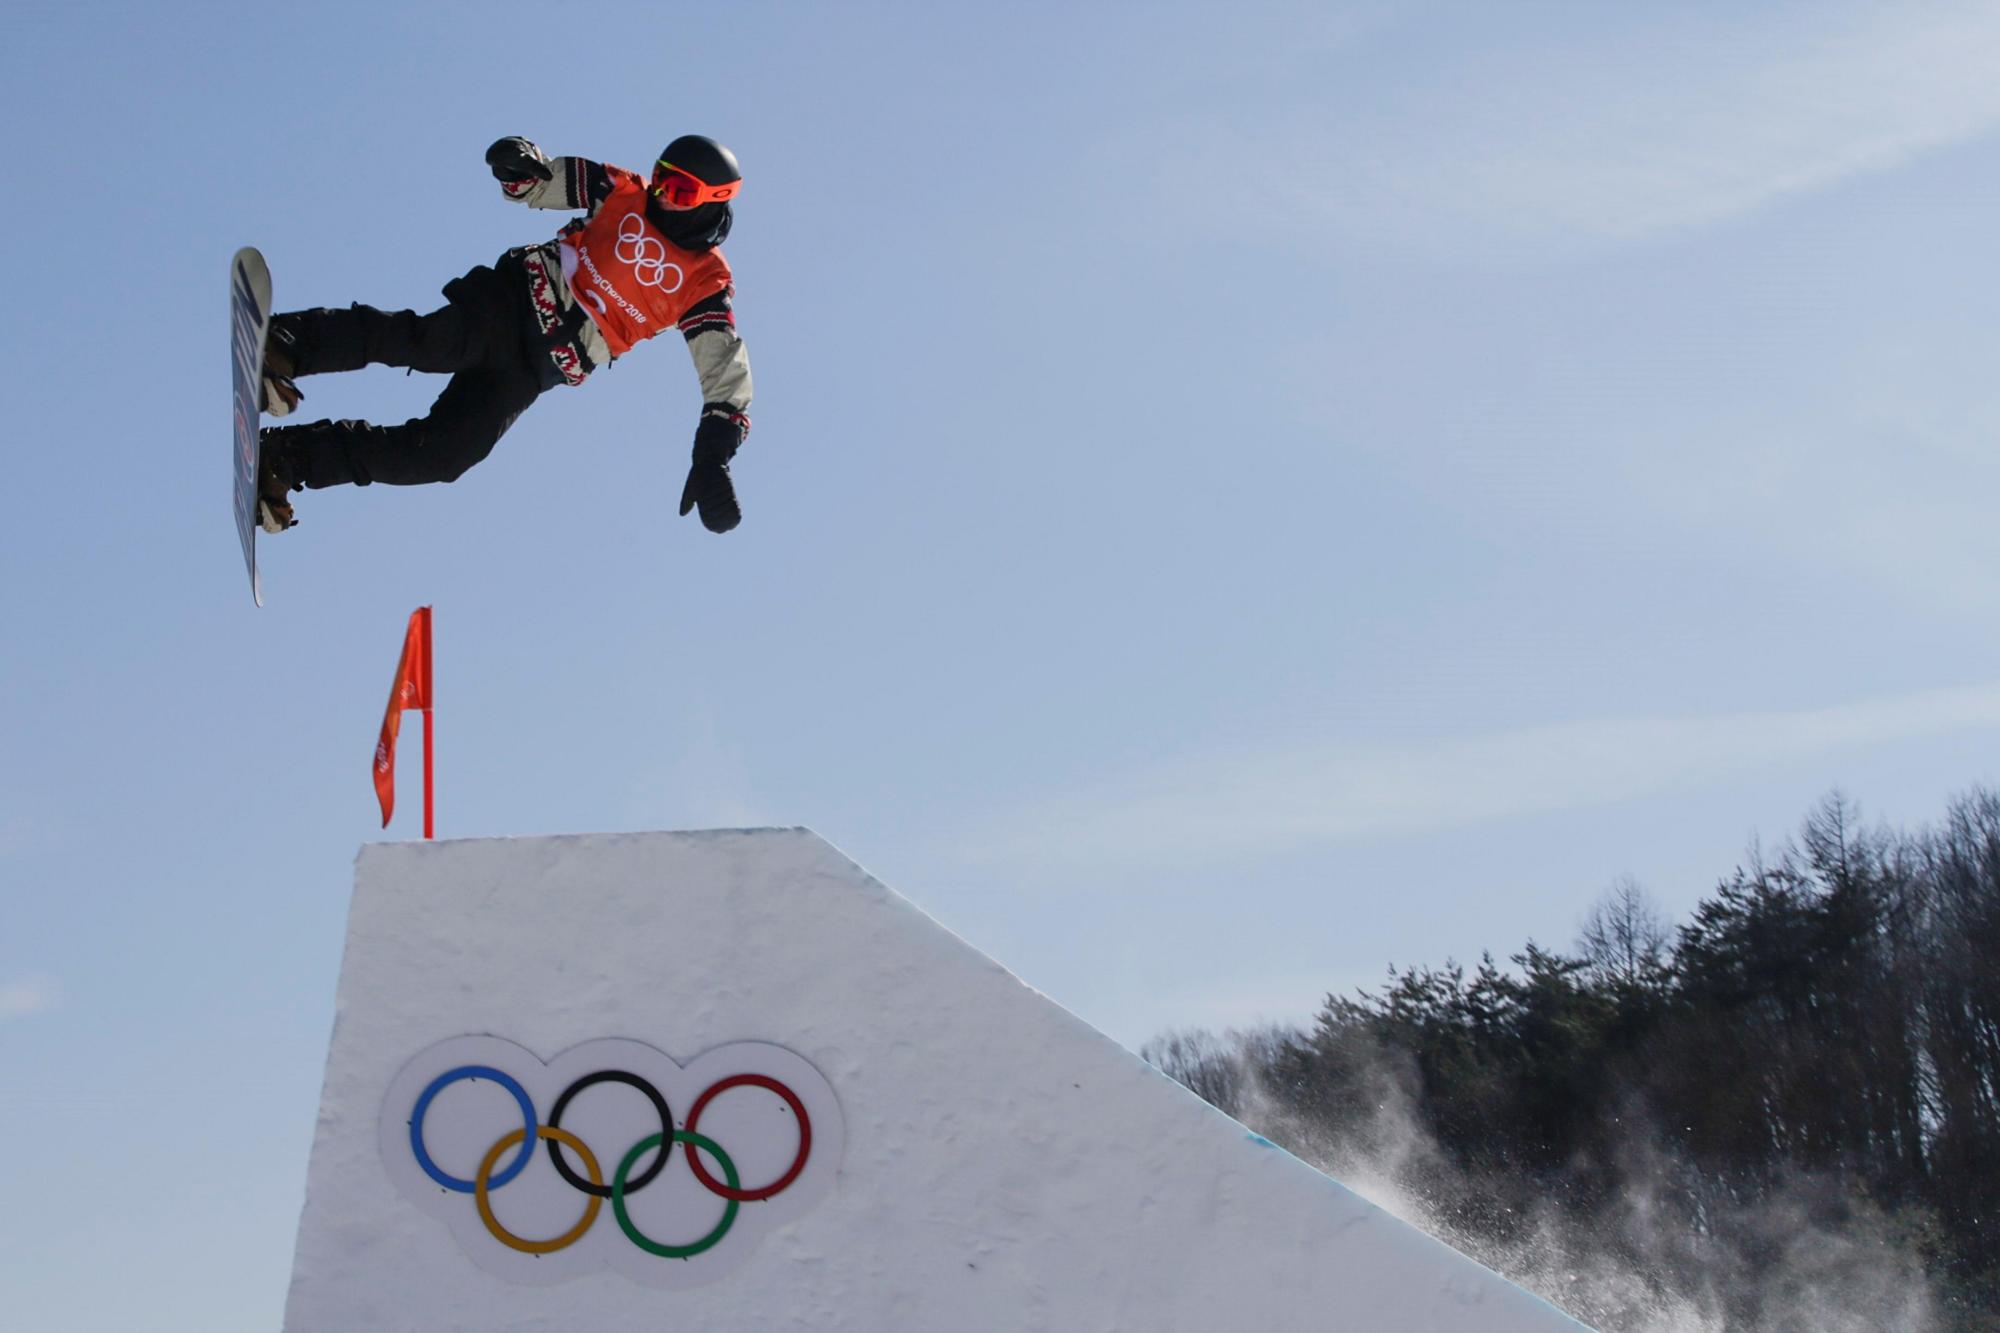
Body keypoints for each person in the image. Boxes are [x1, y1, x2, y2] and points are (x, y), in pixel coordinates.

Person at [256, 134, 753, 534]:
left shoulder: (705, 283)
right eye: (662, 180)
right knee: (427, 341)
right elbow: (543, 182)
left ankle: (288, 459)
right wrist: (520, 163)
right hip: (512, 303)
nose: (663, 198)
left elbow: (724, 378)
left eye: (681, 193)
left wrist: (712, 459)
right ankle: (290, 344)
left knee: (446, 455)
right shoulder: (623, 192)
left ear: (714, 203)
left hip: (536, 368)